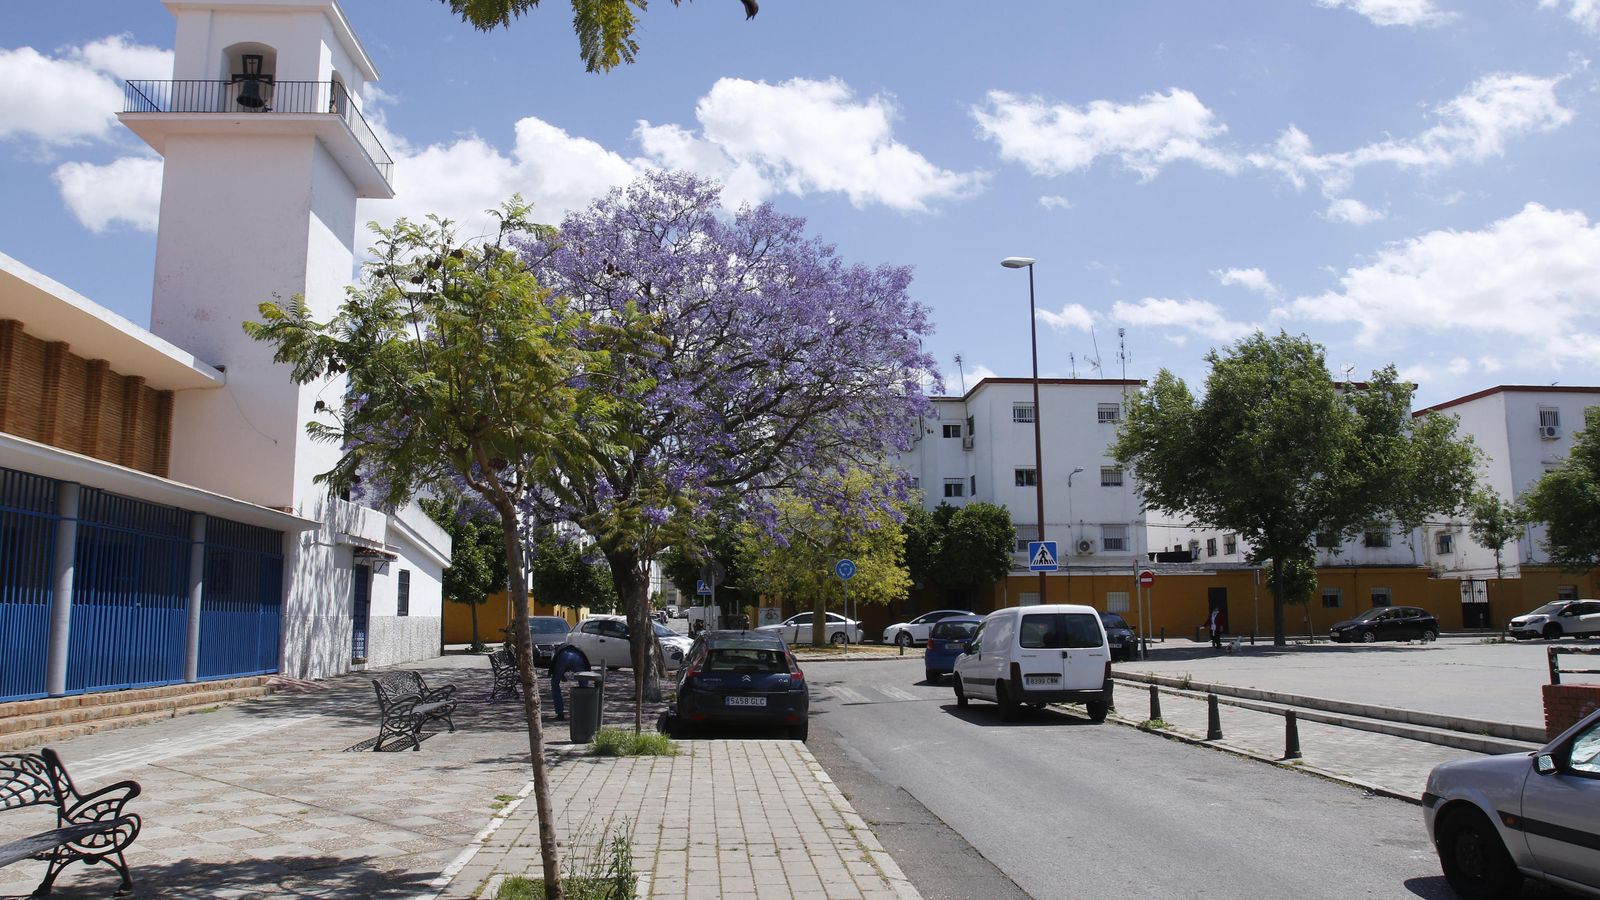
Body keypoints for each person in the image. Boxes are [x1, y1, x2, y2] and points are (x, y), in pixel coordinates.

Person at [548, 645, 586, 720]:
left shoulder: (559, 652)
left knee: (554, 684)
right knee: (584, 687)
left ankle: (560, 713)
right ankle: (584, 713)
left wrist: (559, 675)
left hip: (563, 658)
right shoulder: (575, 649)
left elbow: (555, 666)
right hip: (578, 658)